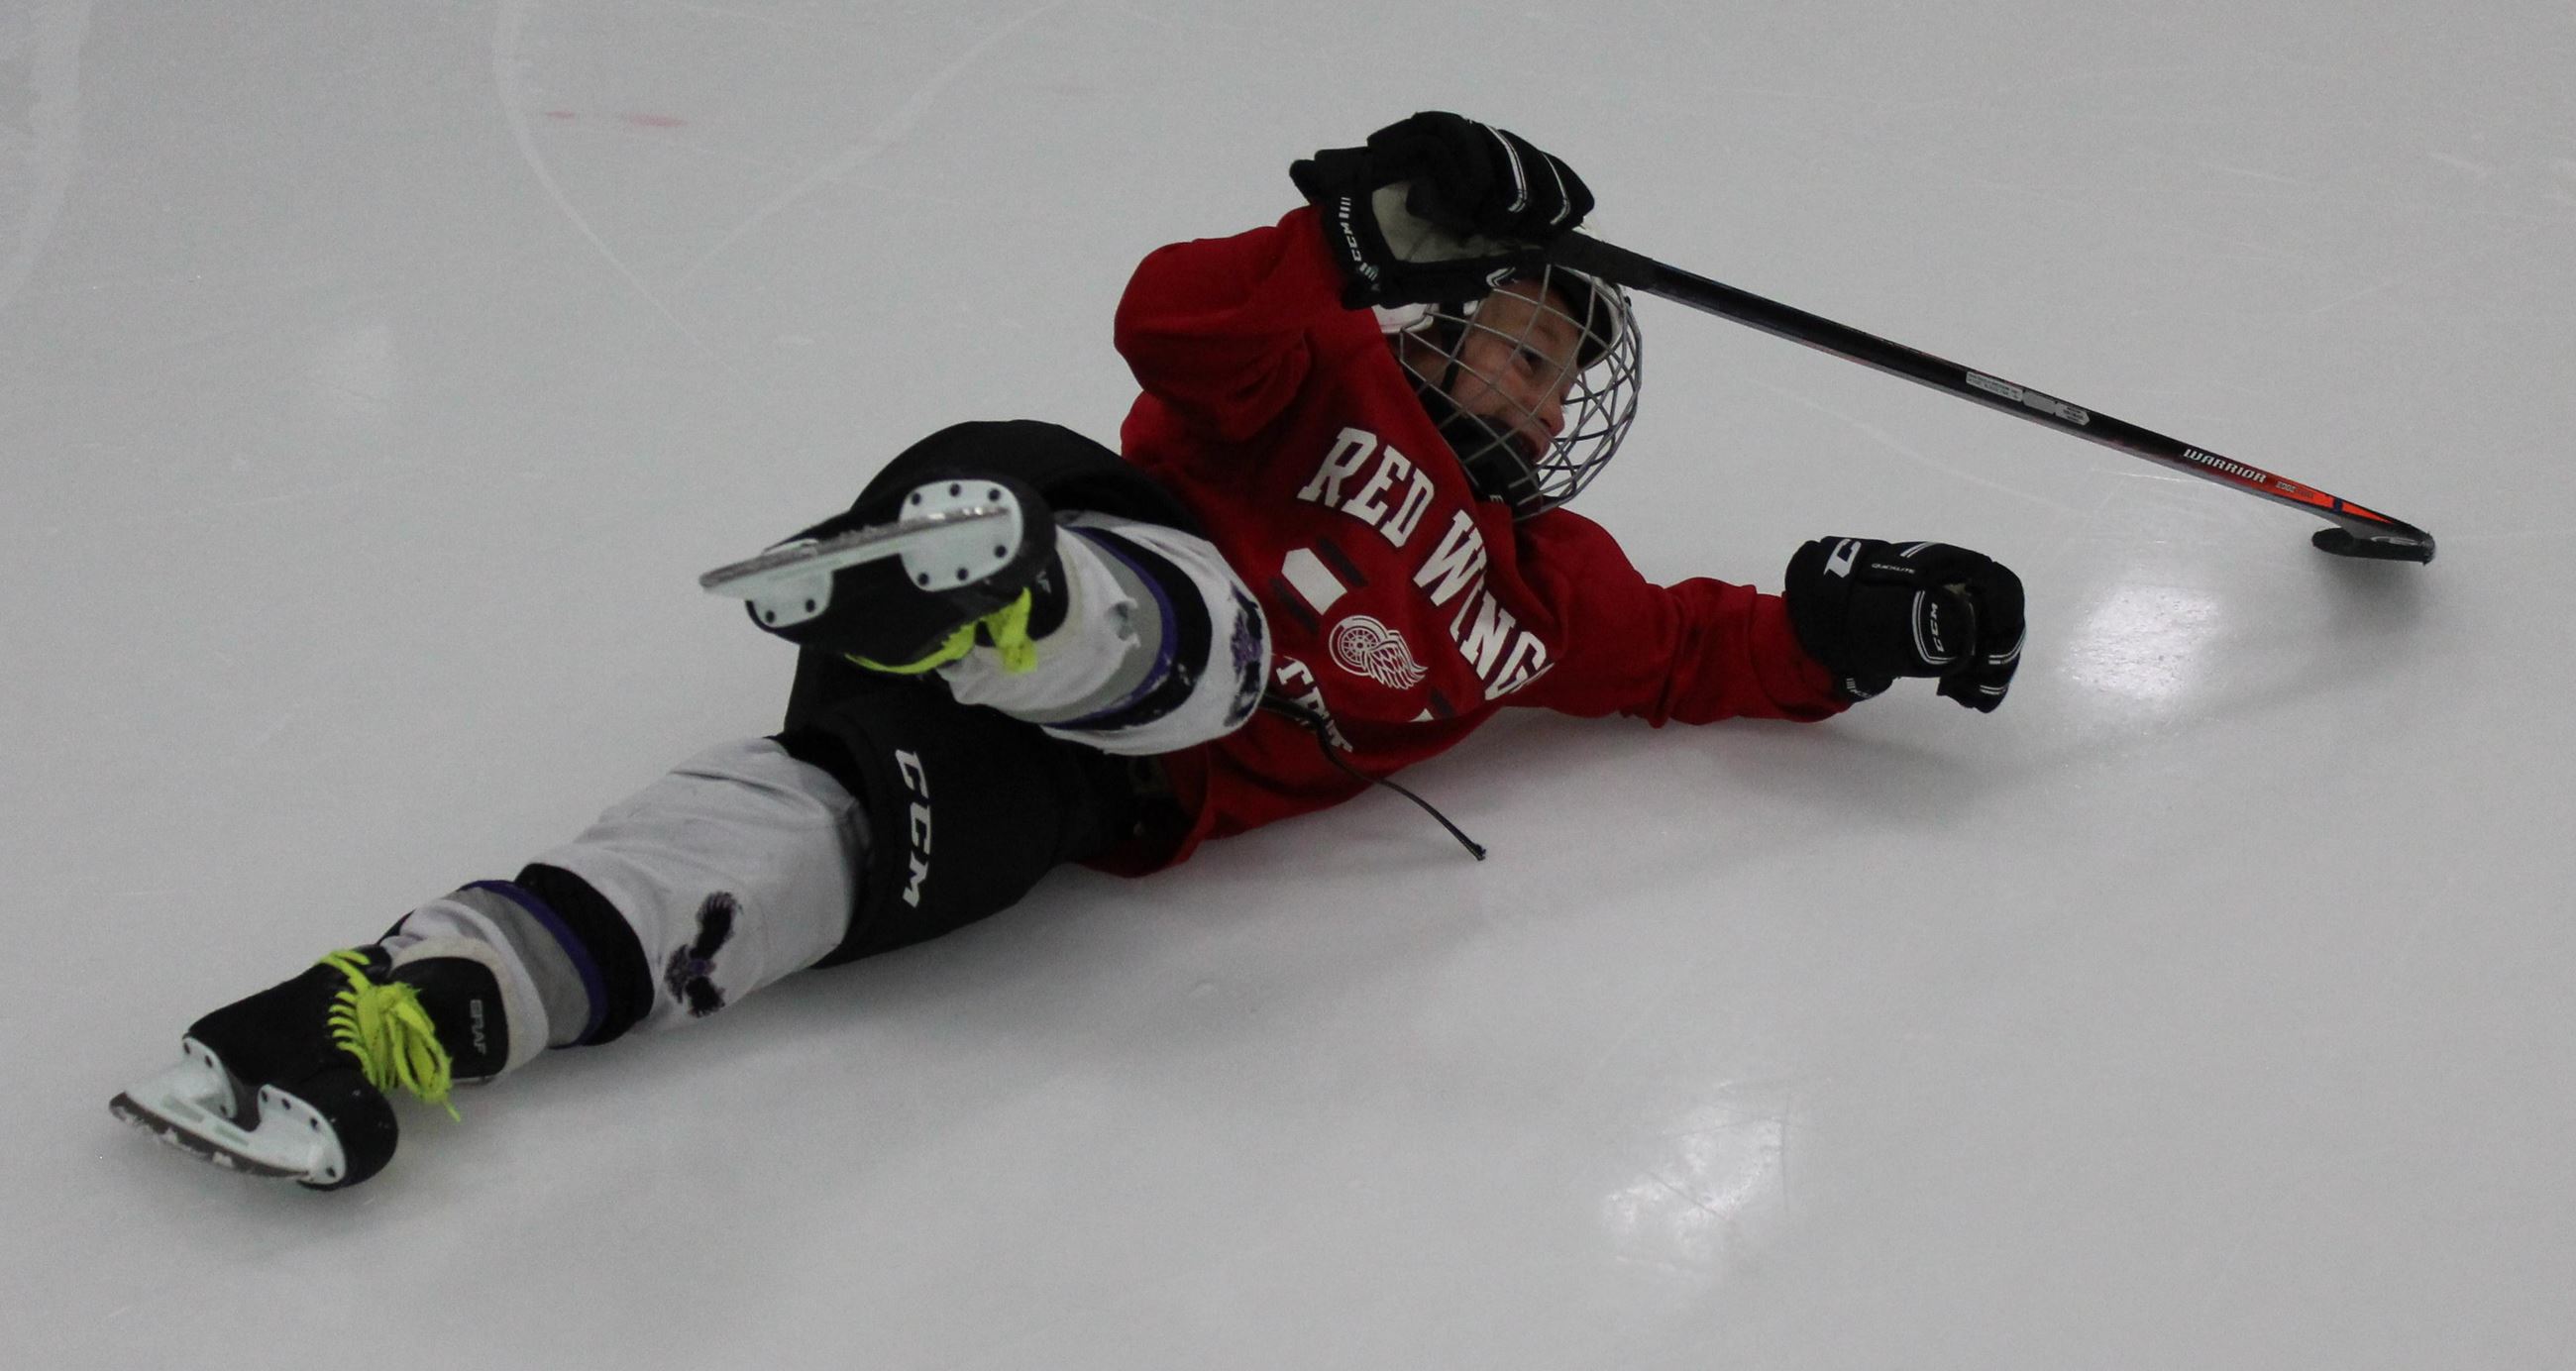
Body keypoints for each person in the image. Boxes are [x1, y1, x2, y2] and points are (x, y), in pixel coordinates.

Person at [111, 113, 2025, 1190]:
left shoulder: (1550, 592)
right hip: (1079, 523)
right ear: (1440, 319)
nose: (1524, 381)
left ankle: (403, 1005)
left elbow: (1700, 651)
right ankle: (1004, 596)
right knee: (1216, 643)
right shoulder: (1327, 374)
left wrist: (1863, 625)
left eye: (1554, 366)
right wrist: (1361, 230)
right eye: (1509, 333)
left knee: (821, 849)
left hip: (1091, 788)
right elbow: (1172, 327)